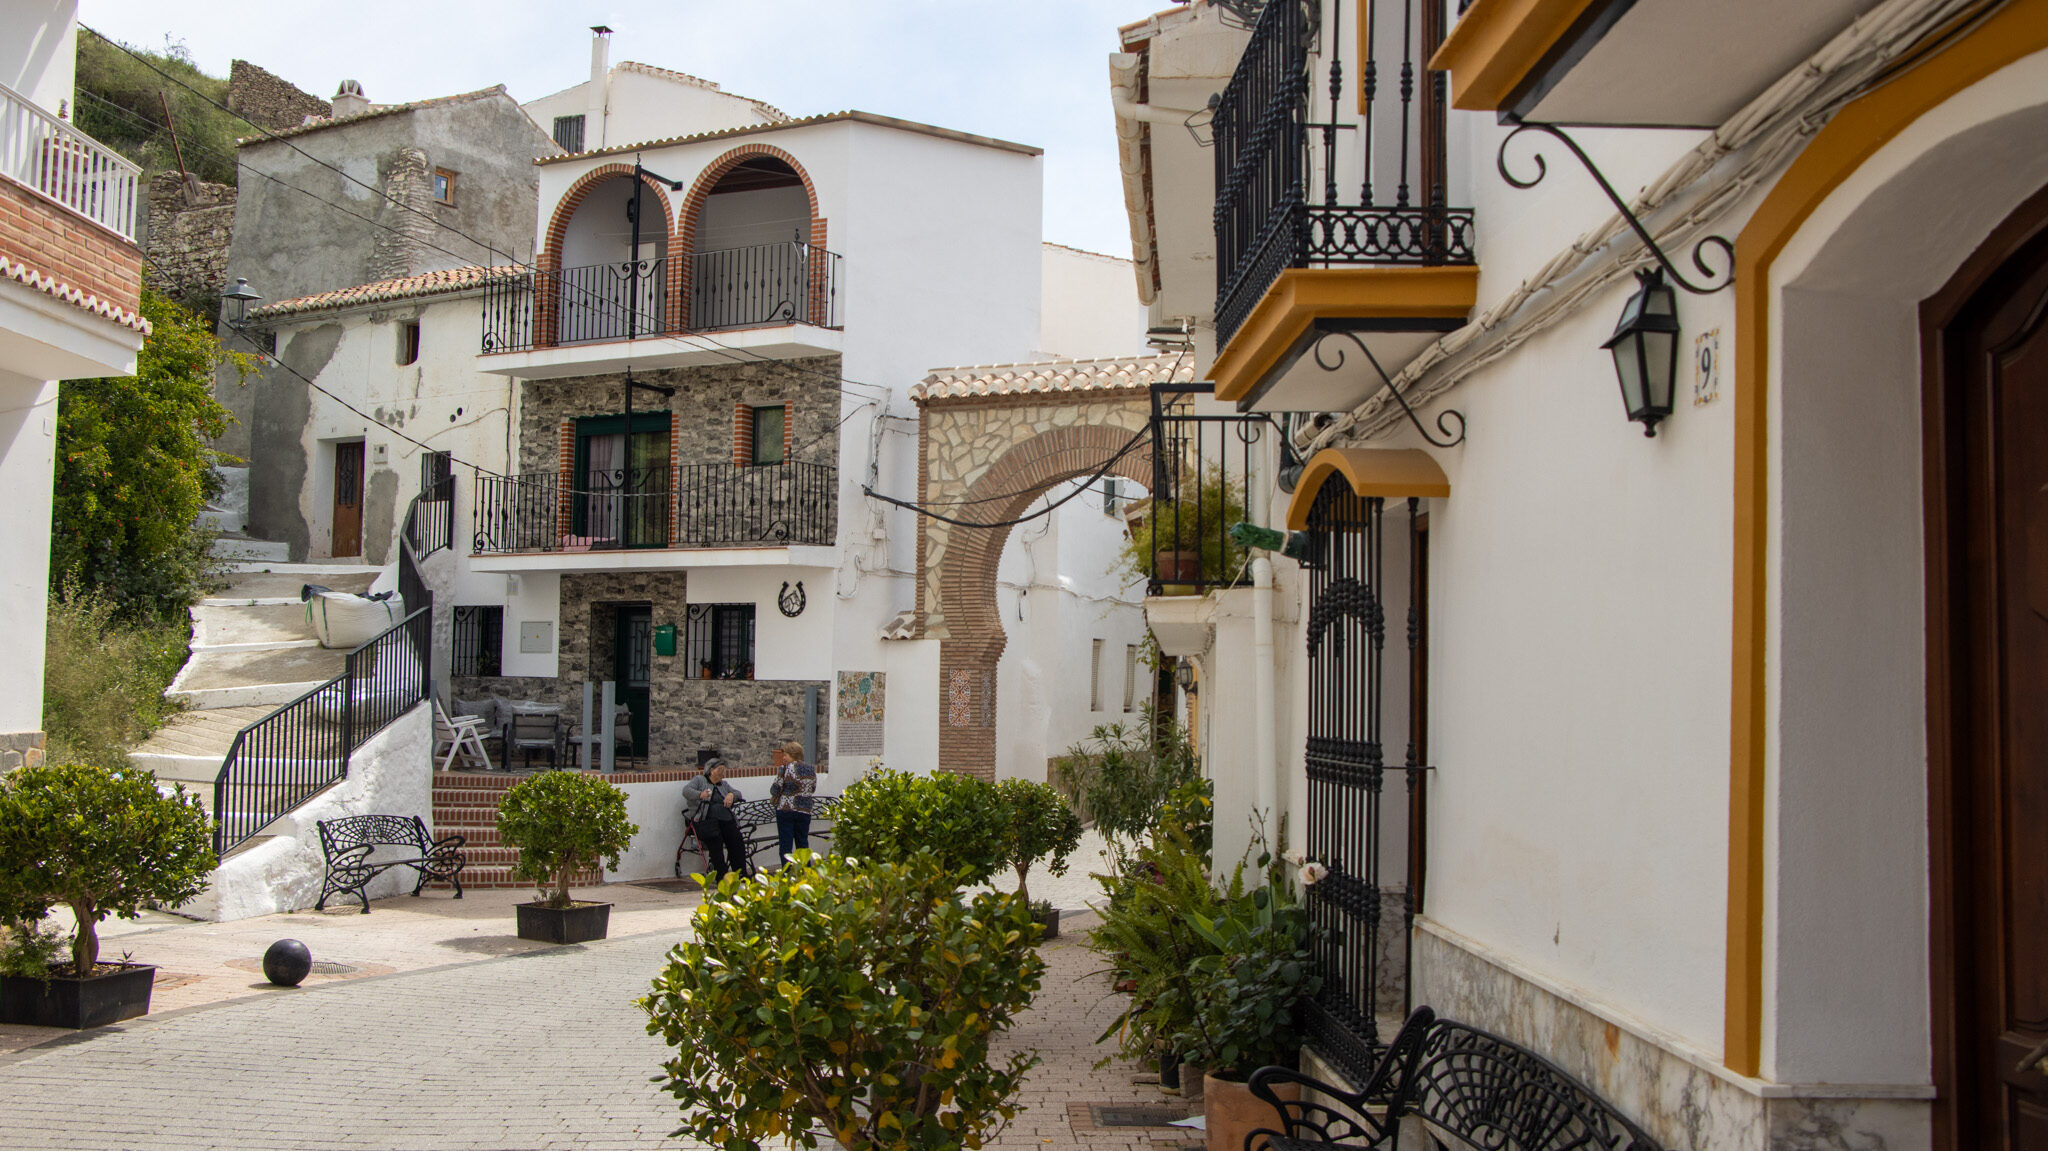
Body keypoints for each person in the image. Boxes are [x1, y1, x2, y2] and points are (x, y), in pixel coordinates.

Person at [680, 758, 747, 880]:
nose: (722, 773)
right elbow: (686, 791)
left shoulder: (724, 784)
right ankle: (722, 877)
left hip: (726, 820)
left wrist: (731, 795)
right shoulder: (700, 780)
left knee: (737, 842)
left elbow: (738, 793)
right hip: (707, 821)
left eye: (724, 770)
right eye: (720, 770)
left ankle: (741, 875)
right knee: (716, 844)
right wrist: (700, 795)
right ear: (711, 770)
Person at [769, 739, 817, 865]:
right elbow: (813, 788)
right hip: (805, 811)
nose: (783, 757)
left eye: (785, 755)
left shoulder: (785, 768)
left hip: (786, 810)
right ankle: (806, 874)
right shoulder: (811, 768)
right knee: (802, 845)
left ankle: (788, 876)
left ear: (792, 754)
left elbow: (775, 789)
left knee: (786, 847)